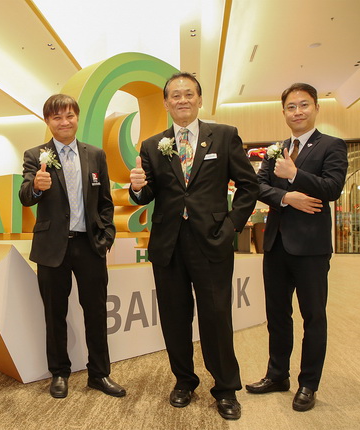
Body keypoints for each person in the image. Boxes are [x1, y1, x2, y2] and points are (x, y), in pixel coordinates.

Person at [129, 73, 258, 420]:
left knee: (217, 317)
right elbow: (147, 193)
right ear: (166, 103)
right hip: (168, 245)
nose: (182, 100)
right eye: (175, 95)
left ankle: (226, 388)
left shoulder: (225, 135)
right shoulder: (153, 145)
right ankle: (184, 381)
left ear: (200, 100)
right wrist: (137, 187)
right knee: (174, 318)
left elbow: (249, 186)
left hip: (212, 241)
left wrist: (231, 226)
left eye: (188, 94)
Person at [246, 83, 348, 411]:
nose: (298, 111)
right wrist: (287, 197)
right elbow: (258, 186)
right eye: (291, 107)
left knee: (313, 316)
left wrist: (295, 174)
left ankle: (308, 384)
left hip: (311, 248)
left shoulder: (332, 145)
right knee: (277, 315)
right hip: (275, 244)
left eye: (304, 105)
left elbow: (332, 188)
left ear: (316, 107)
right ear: (284, 112)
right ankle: (277, 375)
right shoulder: (276, 149)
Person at [19, 94, 125, 399]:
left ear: (77, 117)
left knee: (96, 312)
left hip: (90, 246)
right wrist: (35, 187)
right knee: (55, 314)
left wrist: (106, 236)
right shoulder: (35, 155)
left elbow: (105, 201)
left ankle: (99, 374)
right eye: (57, 117)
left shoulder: (96, 155)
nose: (64, 122)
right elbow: (25, 196)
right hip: (52, 248)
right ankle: (59, 373)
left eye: (69, 116)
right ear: (47, 121)